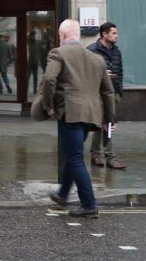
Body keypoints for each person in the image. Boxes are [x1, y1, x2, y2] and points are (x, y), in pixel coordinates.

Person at [43, 19, 116, 218]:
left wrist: (48, 106)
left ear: (62, 36)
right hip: (92, 115)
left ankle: (89, 204)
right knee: (72, 154)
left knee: (75, 158)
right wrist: (109, 119)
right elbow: (108, 92)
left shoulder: (58, 53)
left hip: (71, 113)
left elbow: (49, 79)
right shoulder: (96, 59)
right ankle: (63, 196)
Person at [86, 22, 126, 170]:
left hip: (113, 93)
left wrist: (119, 91)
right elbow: (84, 74)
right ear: (104, 34)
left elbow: (120, 72)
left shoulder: (116, 51)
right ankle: (109, 157)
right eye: (114, 33)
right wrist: (100, 75)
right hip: (97, 93)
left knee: (105, 123)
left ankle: (96, 154)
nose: (117, 36)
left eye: (116, 33)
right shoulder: (91, 51)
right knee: (105, 123)